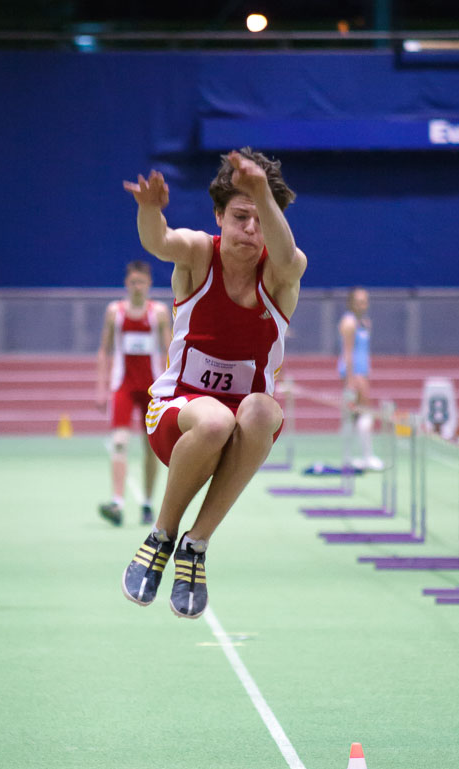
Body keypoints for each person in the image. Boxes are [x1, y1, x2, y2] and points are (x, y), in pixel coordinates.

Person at [120, 148, 307, 619]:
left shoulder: (282, 273)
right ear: (219, 216)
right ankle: (162, 533)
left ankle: (195, 545)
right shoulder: (200, 254)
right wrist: (149, 210)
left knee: (263, 409)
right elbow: (160, 241)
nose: (251, 229)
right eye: (241, 216)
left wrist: (264, 193)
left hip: (242, 431)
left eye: (262, 219)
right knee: (215, 418)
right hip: (179, 414)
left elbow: (288, 255)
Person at [96, 260, 172, 526]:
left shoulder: (159, 312)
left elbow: (171, 351)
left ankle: (148, 503)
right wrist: (101, 387)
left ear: (149, 284)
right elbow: (104, 350)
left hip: (152, 388)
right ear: (126, 284)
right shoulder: (114, 312)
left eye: (141, 282)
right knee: (119, 441)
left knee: (151, 448)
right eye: (132, 282)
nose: (137, 286)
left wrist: (172, 388)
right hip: (124, 386)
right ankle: (117, 502)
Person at [338, 287, 383, 471]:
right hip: (354, 373)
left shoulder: (363, 322)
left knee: (355, 415)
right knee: (362, 412)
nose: (362, 304)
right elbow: (347, 353)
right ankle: (366, 456)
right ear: (351, 303)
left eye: (365, 301)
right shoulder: (349, 323)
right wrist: (350, 380)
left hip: (362, 371)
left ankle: (351, 457)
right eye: (359, 301)